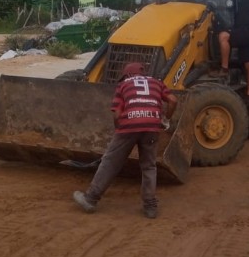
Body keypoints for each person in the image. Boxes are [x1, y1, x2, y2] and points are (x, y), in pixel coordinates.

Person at [73, 62, 178, 219]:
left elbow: (116, 114)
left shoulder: (123, 85)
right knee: (149, 166)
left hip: (129, 126)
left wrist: (119, 130)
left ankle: (90, 199)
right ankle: (150, 207)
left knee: (110, 162)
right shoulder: (157, 83)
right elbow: (173, 100)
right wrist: (166, 119)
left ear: (128, 75)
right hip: (151, 127)